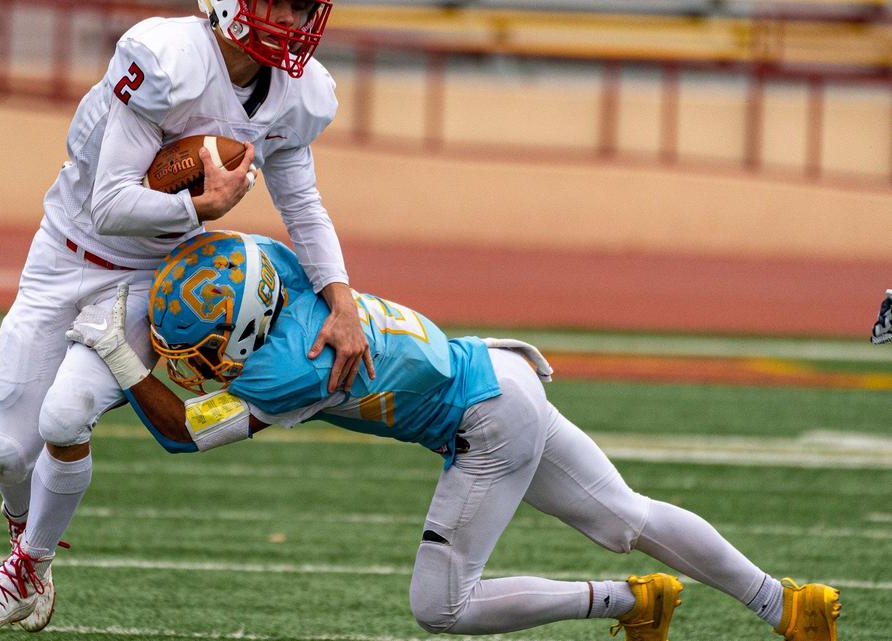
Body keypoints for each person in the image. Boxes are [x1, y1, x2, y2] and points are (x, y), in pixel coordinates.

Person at [69, 230, 841, 641]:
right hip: (496, 374)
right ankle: (789, 606)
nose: (193, 361)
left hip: (485, 417)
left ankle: (628, 601)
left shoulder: (289, 368)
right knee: (624, 516)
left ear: (245, 324)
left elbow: (181, 434)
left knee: (440, 605)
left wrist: (115, 352)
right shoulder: (274, 264)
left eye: (205, 346)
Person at [0, 1, 374, 635]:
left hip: (153, 278)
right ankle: (26, 536)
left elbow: (303, 203)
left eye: (305, 5)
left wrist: (343, 301)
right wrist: (205, 206)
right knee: (6, 455)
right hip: (64, 253)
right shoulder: (168, 59)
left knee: (64, 415)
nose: (295, 17)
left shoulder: (301, 95)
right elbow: (110, 203)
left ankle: (25, 571)